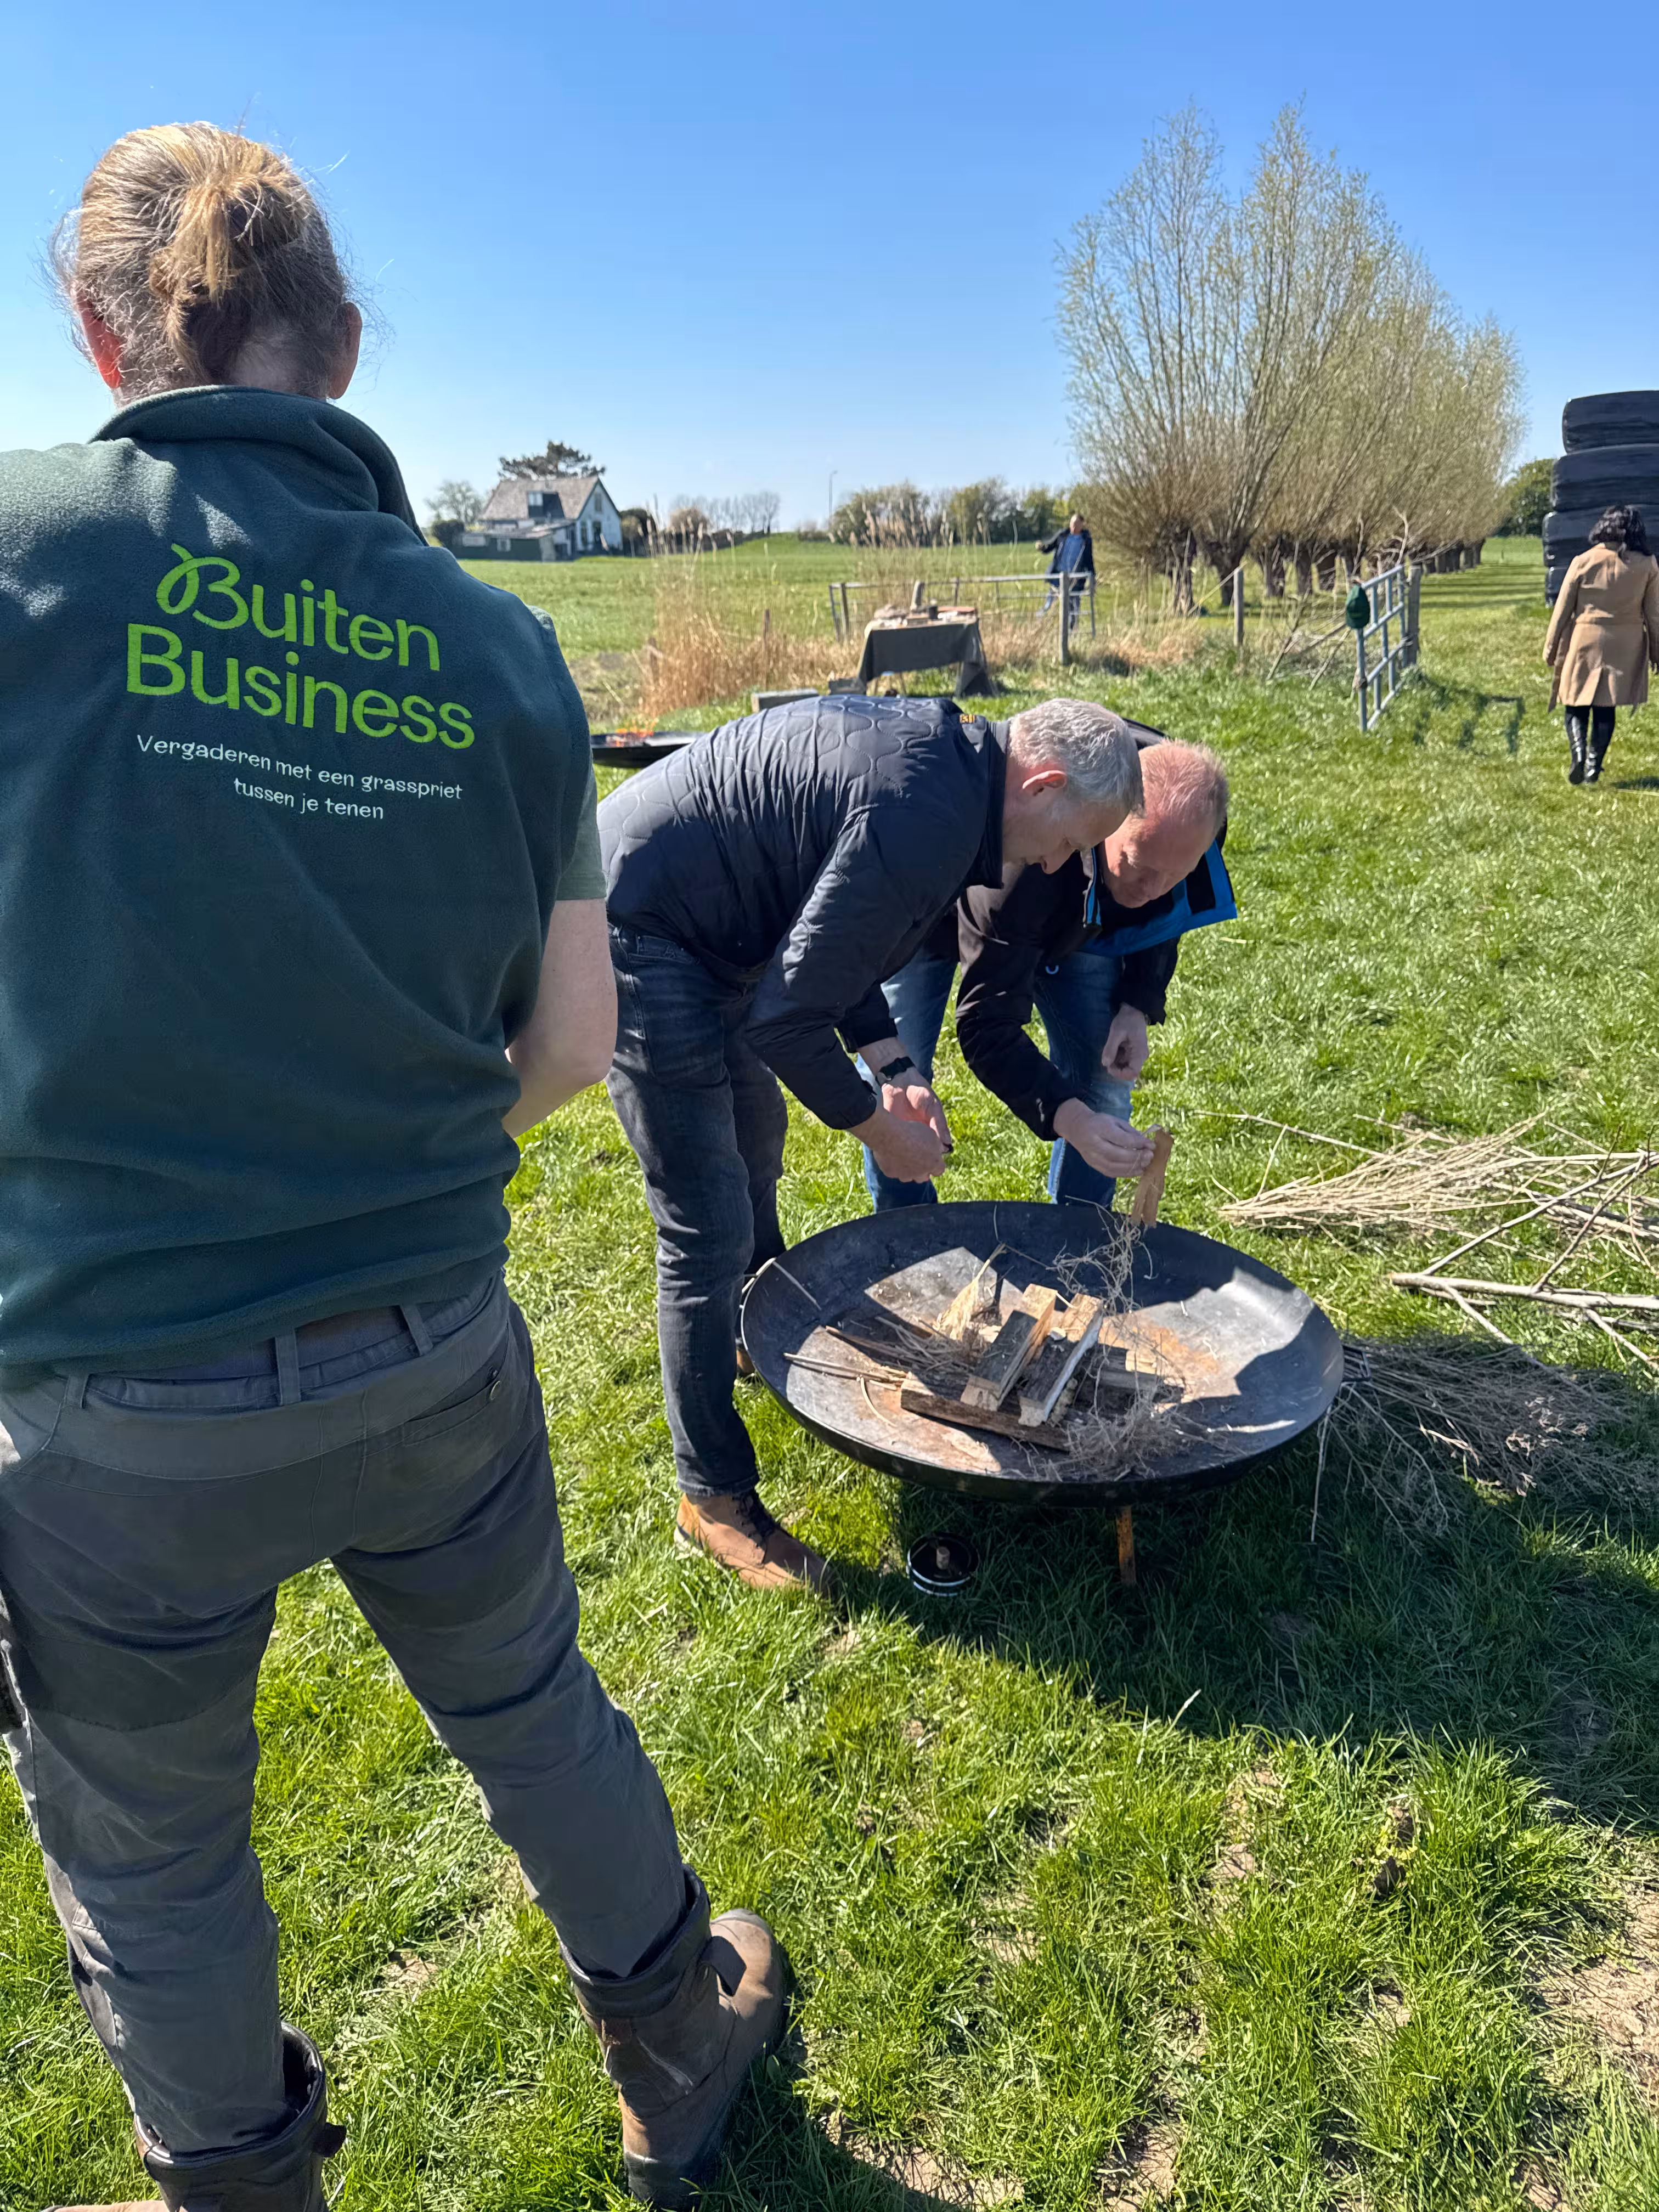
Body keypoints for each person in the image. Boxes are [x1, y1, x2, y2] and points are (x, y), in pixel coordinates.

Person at [0, 124, 780, 2212]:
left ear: (99, 334)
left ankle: (237, 2184)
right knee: (528, 1695)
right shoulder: (505, 646)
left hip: (108, 1399)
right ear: (338, 345)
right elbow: (573, 1050)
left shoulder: (23, 547)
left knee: (155, 1854)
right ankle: (673, 2029)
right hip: (432, 1341)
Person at [600, 695, 1144, 1590]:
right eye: (1064, 838)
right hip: (639, 927)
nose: (1055, 863)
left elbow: (823, 926)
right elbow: (786, 1018)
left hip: (718, 928)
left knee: (752, 1145)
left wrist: (891, 1061)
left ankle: (738, 1330)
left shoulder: (950, 779)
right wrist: (875, 1128)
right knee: (703, 1222)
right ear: (1042, 782)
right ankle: (713, 1499)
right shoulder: (927, 814)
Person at [864, 731, 1231, 1212]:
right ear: (1110, 820)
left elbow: (1166, 912)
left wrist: (1137, 1003)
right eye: (1139, 864)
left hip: (1082, 911)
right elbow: (985, 1025)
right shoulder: (1026, 862)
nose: (1155, 890)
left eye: (1176, 874)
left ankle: (1082, 1249)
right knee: (898, 1081)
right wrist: (1069, 1119)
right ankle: (905, 1232)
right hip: (933, 914)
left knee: (1102, 1079)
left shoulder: (1195, 822)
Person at [1544, 504, 1659, 784]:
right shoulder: (1648, 565)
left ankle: (1579, 754)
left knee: (1575, 702)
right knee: (1606, 706)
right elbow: (1654, 614)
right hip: (1626, 643)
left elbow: (1562, 610)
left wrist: (1551, 646)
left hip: (1586, 638)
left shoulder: (1583, 561)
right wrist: (1657, 652)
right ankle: (1595, 765)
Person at [1040, 512, 1096, 611]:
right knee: (1048, 604)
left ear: (1082, 525)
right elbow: (1050, 547)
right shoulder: (1063, 536)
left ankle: (1073, 626)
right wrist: (1042, 547)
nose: (1074, 527)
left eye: (1077, 525)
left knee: (1074, 608)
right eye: (1072, 524)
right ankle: (1039, 622)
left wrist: (1092, 577)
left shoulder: (1086, 541)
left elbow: (1089, 560)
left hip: (1074, 579)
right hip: (1059, 576)